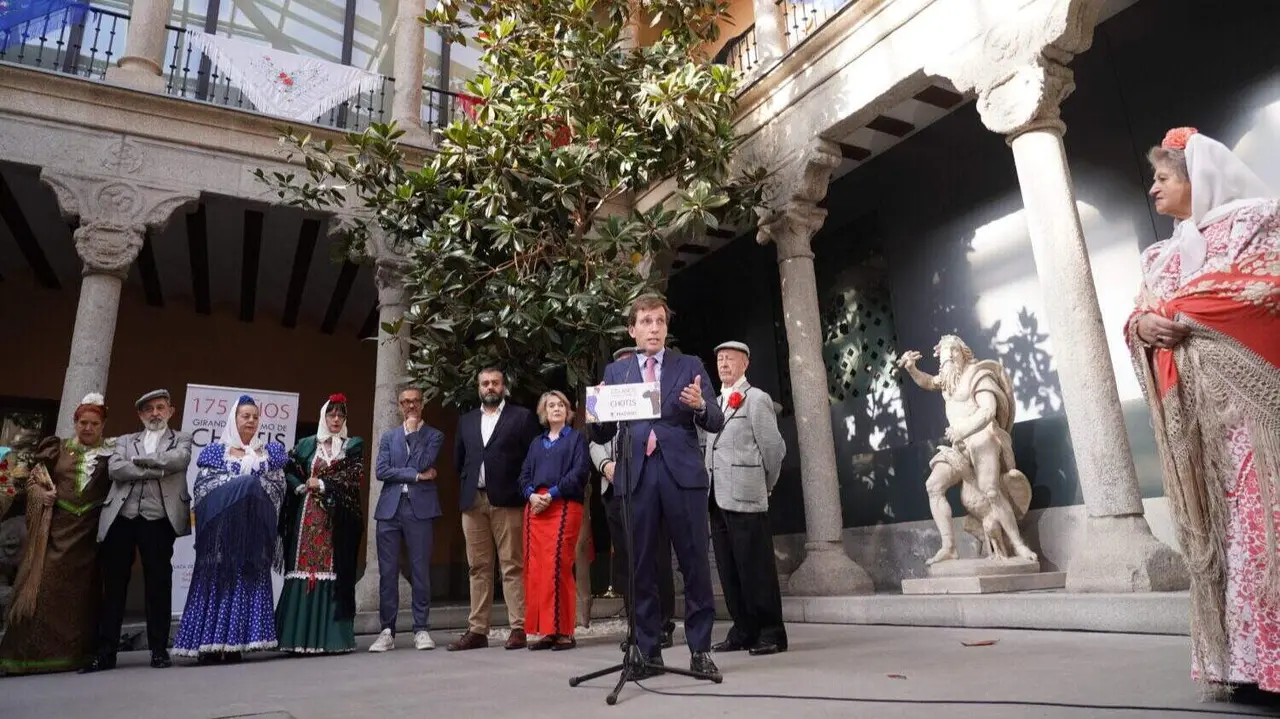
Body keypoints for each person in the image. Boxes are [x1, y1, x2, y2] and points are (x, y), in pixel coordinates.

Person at [1127, 127, 1279, 695]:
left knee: (1267, 524)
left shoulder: (1256, 222)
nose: (1153, 189)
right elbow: (1139, 314)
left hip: (1251, 413)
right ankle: (1238, 665)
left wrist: (1183, 311)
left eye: (1162, 178)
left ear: (1198, 178)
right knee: (1218, 531)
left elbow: (1264, 288)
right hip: (1194, 418)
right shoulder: (1161, 254)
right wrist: (1144, 324)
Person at [592, 294, 725, 679]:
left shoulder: (690, 365)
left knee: (695, 564)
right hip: (636, 478)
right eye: (646, 321)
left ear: (666, 328)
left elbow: (714, 419)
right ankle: (648, 653)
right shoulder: (616, 373)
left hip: (682, 477)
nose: (654, 328)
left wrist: (700, 404)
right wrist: (598, 409)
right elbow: (601, 431)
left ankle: (700, 650)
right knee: (642, 567)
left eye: (660, 322)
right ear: (632, 329)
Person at [0, 394, 112, 676]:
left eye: (94, 424)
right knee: (41, 589)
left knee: (80, 598)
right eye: (83, 422)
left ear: (103, 425)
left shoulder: (113, 453)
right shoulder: (57, 449)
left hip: (89, 535)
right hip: (55, 532)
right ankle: (25, 658)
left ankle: (71, 657)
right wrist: (43, 495)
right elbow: (34, 481)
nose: (88, 428)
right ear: (75, 423)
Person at [172, 395, 288, 664]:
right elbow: (204, 490)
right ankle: (207, 645)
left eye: (255, 417)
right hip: (221, 537)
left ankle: (235, 644)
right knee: (216, 583)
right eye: (245, 416)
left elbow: (276, 488)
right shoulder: (216, 452)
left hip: (252, 535)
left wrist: (249, 489)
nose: (250, 421)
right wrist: (245, 487)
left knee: (245, 581)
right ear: (234, 419)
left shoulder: (268, 454)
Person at [85, 389, 193, 673]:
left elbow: (178, 461)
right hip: (122, 515)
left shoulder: (181, 438)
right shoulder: (124, 440)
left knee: (158, 583)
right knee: (114, 585)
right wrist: (154, 469)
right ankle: (106, 653)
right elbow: (115, 469)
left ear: (171, 411)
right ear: (140, 415)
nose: (155, 413)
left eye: (160, 407)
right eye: (148, 409)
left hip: (158, 518)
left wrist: (140, 464)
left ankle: (159, 651)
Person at [589, 346, 677, 652]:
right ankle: (636, 626)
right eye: (620, 367)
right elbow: (595, 441)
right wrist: (606, 466)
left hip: (648, 485)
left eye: (632, 365)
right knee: (628, 561)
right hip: (615, 488)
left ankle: (663, 623)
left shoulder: (651, 396)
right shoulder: (608, 398)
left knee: (656, 557)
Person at [704, 341, 788, 656]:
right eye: (720, 359)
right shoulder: (714, 403)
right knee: (729, 568)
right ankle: (743, 628)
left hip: (747, 494)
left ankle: (771, 632)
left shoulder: (756, 399)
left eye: (731, 359)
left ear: (745, 364)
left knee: (756, 567)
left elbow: (774, 450)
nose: (724, 364)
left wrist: (765, 485)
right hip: (717, 496)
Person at [448, 368, 540, 652]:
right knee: (478, 567)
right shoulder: (466, 421)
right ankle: (478, 630)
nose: (490, 387)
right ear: (479, 388)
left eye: (495, 383)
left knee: (512, 564)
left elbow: (532, 458)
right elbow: (458, 461)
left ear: (504, 386)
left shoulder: (521, 417)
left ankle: (519, 627)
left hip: (508, 500)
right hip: (473, 502)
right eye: (485, 383)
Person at [275, 394, 365, 655]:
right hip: (307, 516)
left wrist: (322, 483)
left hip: (337, 520)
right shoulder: (306, 444)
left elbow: (351, 478)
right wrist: (301, 486)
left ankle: (331, 637)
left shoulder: (352, 446)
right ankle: (297, 636)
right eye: (332, 414)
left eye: (341, 415)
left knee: (335, 567)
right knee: (302, 566)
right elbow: (288, 469)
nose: (336, 419)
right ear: (324, 417)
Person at [369, 386, 444, 653]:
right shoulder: (389, 437)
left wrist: (413, 433)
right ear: (399, 406)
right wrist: (415, 476)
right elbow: (381, 471)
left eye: (415, 401)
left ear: (422, 404)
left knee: (420, 569)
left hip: (419, 509)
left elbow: (425, 461)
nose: (410, 406)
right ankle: (387, 630)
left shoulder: (434, 435)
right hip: (389, 509)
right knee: (387, 573)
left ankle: (421, 629)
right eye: (405, 402)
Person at [519, 390, 590, 651]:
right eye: (551, 405)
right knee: (537, 569)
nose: (557, 409)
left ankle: (564, 632)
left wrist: (552, 493)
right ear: (544, 413)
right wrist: (530, 495)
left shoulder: (576, 439)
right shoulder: (536, 443)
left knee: (558, 566)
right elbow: (524, 475)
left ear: (567, 410)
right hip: (536, 510)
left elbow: (580, 472)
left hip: (563, 505)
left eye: (561, 404)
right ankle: (546, 631)